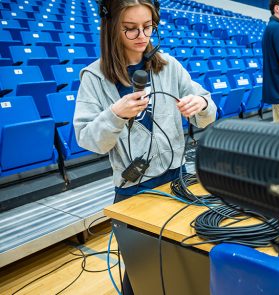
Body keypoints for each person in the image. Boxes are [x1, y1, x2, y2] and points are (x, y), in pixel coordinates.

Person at [73, 0, 216, 293]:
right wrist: (115, 115)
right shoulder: (94, 77)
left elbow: (208, 112)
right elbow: (88, 139)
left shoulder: (169, 65)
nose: (142, 36)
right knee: (143, 276)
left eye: (148, 27)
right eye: (131, 29)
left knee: (187, 266)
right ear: (112, 29)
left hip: (177, 181)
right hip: (132, 190)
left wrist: (201, 103)